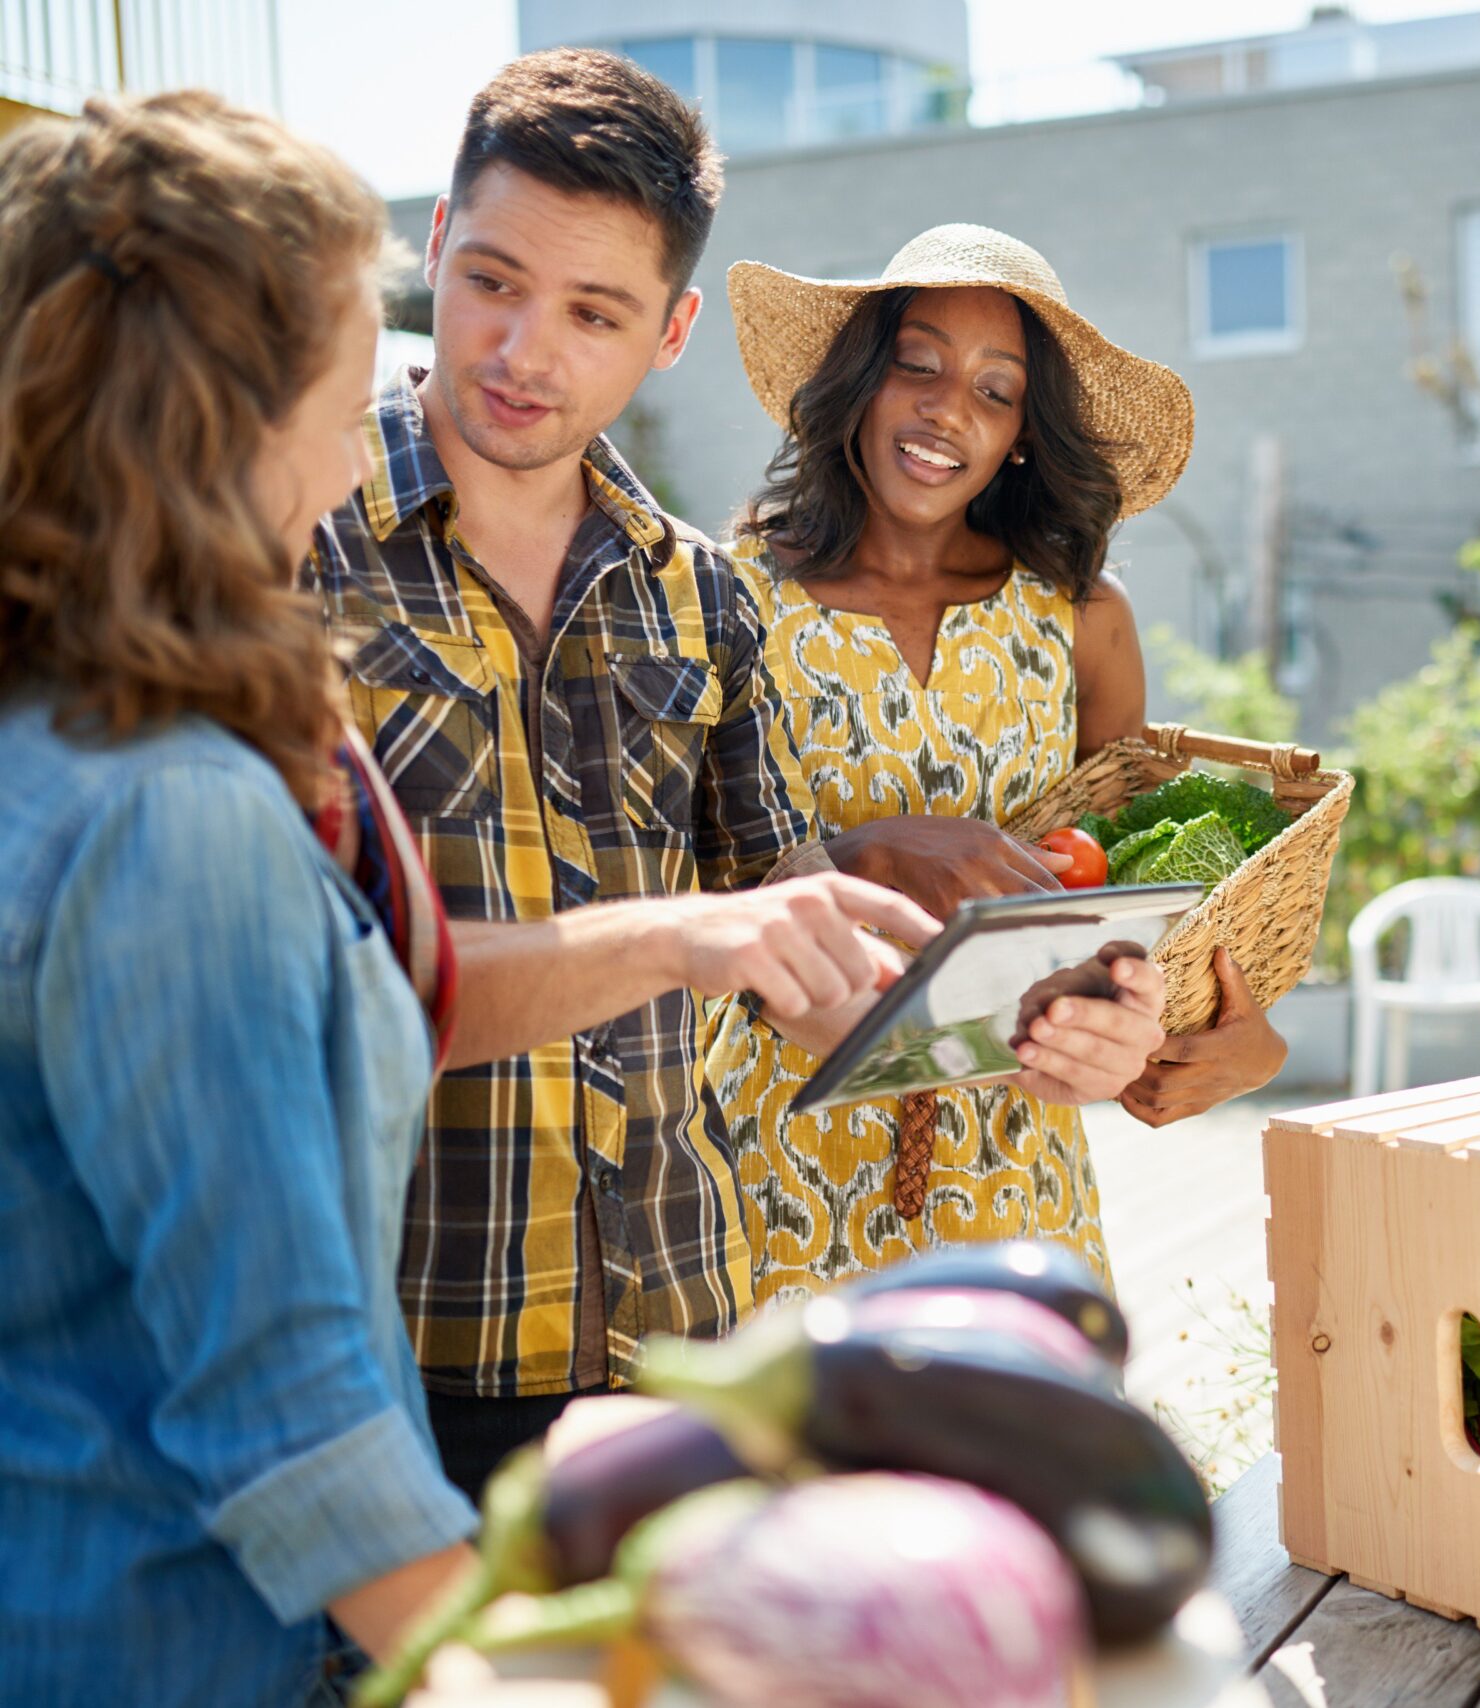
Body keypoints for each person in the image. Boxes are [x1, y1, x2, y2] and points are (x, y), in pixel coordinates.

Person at [303, 54, 1168, 1502]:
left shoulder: (695, 599)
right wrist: (716, 924)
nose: (524, 350)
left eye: (593, 314)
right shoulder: (298, 545)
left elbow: (794, 947)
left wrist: (1044, 1020)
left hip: (684, 1333)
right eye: (495, 282)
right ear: (436, 246)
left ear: (670, 332)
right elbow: (297, 988)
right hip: (391, 1340)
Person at [0, 92, 488, 1705]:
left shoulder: (39, 745)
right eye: (345, 412)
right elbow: (292, 1412)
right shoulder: (172, 816)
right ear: (212, 432)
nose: (354, 478)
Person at [705, 226, 1290, 1304]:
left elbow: (1125, 901)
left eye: (994, 390)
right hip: (768, 1166)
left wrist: (1230, 1041)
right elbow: (670, 891)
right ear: (859, 385)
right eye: (915, 365)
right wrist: (864, 854)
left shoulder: (1079, 622)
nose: (944, 411)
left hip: (1014, 1175)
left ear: (1023, 432)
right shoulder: (724, 598)